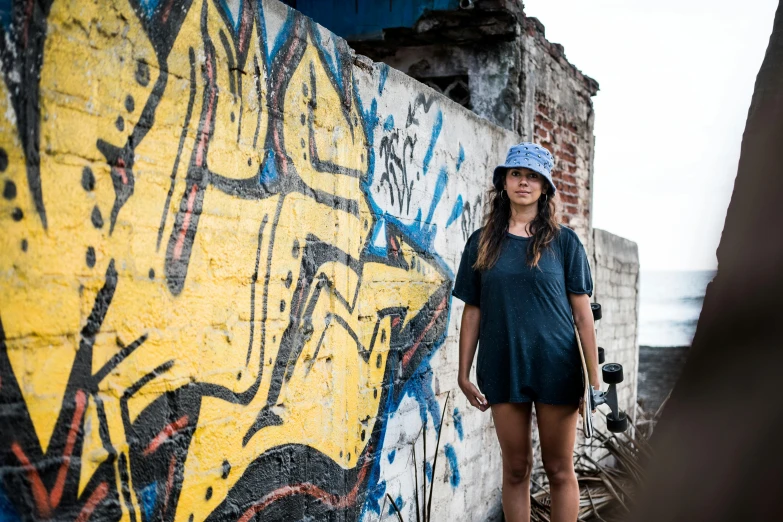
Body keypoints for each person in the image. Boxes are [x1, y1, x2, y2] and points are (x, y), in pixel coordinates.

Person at [452, 143, 600, 522]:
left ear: (545, 187)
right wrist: (462, 373)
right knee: (516, 469)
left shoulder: (565, 243)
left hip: (558, 367)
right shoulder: (481, 242)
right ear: (503, 181)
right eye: (517, 173)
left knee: (559, 469)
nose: (524, 182)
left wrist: (594, 380)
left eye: (533, 176)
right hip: (504, 365)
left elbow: (583, 317)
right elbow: (473, 312)